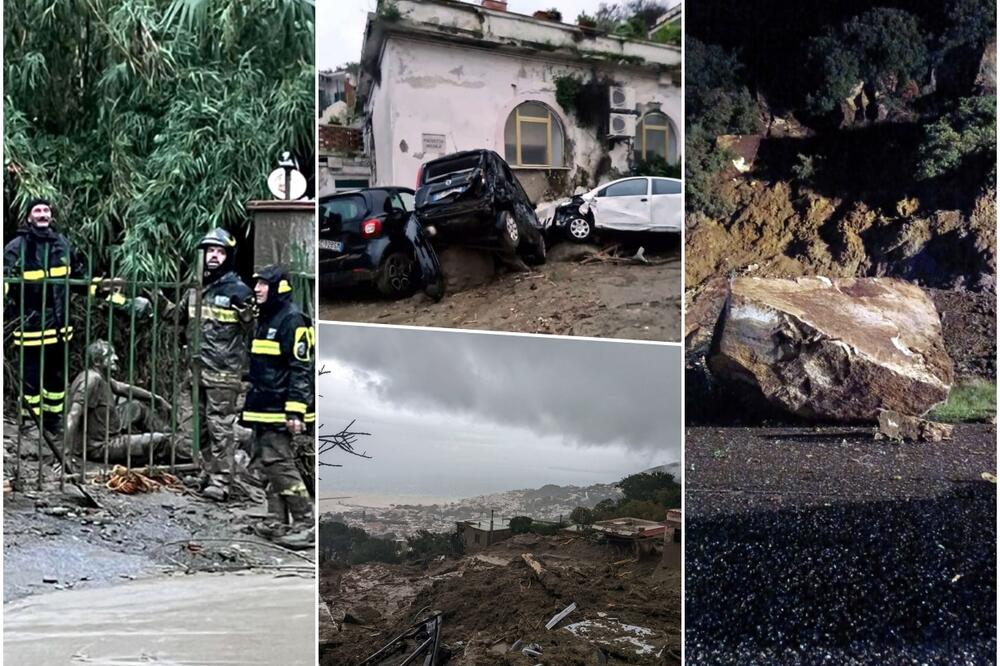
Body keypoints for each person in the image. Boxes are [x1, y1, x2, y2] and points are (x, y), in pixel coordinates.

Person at [242, 264, 315, 547]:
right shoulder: (268, 317)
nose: (257, 289)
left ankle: (306, 522)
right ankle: (277, 520)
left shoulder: (292, 320)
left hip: (279, 408)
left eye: (263, 284)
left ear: (279, 288)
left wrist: (295, 409)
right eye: (256, 283)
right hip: (264, 405)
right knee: (267, 464)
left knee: (279, 464)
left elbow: (301, 368)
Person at [183, 228, 256, 501]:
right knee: (201, 425)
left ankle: (221, 480)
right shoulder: (196, 289)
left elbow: (254, 332)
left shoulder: (238, 291)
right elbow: (173, 315)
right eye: (209, 251)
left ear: (228, 256)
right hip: (198, 370)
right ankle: (206, 471)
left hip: (224, 372)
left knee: (220, 426)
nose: (214, 256)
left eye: (220, 252)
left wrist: (248, 317)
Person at [3, 198, 81, 434]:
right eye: (37, 210)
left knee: (56, 381)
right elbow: (5, 280)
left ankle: (53, 421)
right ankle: (29, 423)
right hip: (31, 328)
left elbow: (79, 278)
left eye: (46, 210)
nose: (42, 214)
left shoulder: (62, 245)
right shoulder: (17, 247)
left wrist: (110, 293)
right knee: (30, 379)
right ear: (28, 218)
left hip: (59, 328)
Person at [64, 340, 174, 464]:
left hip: (107, 425)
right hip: (100, 445)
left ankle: (169, 432)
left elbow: (124, 388)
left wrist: (156, 398)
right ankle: (174, 447)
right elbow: (73, 415)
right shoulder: (91, 381)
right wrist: (66, 454)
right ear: (96, 361)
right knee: (159, 441)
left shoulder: (101, 376)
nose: (115, 358)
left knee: (136, 407)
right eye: (109, 355)